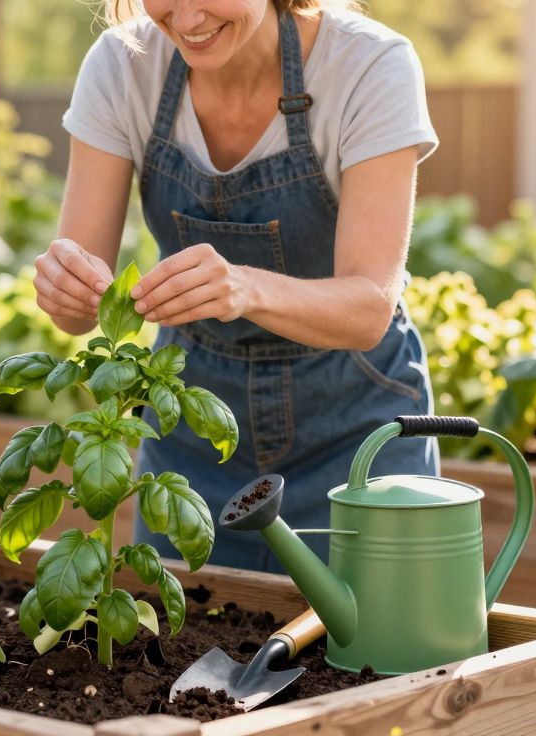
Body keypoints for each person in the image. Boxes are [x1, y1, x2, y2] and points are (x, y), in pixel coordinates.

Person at [36, 0, 439, 571]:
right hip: (193, 423)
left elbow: (370, 307)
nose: (187, 17)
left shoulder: (370, 65)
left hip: (354, 426)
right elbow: (78, 311)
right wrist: (67, 288)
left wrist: (245, 289)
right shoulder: (123, 65)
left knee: (375, 649)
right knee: (183, 650)